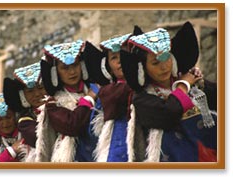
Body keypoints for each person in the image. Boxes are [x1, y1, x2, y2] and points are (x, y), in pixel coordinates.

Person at [120, 21, 217, 162]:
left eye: (166, 58)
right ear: (143, 69)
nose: (164, 67)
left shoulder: (191, 83)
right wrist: (183, 86)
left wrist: (200, 83)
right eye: (155, 63)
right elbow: (169, 113)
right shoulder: (141, 98)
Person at [83, 26, 146, 162]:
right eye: (114, 58)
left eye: (125, 54)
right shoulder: (108, 92)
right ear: (108, 67)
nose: (120, 60)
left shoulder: (148, 85)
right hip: (119, 148)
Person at [38, 39, 100, 162]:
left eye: (75, 65)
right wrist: (88, 99)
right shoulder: (53, 103)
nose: (72, 72)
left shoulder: (98, 87)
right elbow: (71, 125)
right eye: (65, 68)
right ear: (56, 72)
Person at [3, 62, 55, 162]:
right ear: (23, 96)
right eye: (30, 91)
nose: (37, 94)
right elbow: (41, 139)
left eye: (40, 88)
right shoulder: (25, 122)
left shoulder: (61, 103)